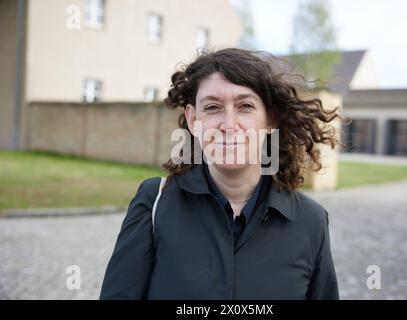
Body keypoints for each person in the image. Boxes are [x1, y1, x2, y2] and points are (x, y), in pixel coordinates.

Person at [100, 48, 341, 300]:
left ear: (270, 119)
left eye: (245, 106)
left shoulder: (310, 221)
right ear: (193, 120)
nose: (228, 125)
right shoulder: (155, 203)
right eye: (213, 107)